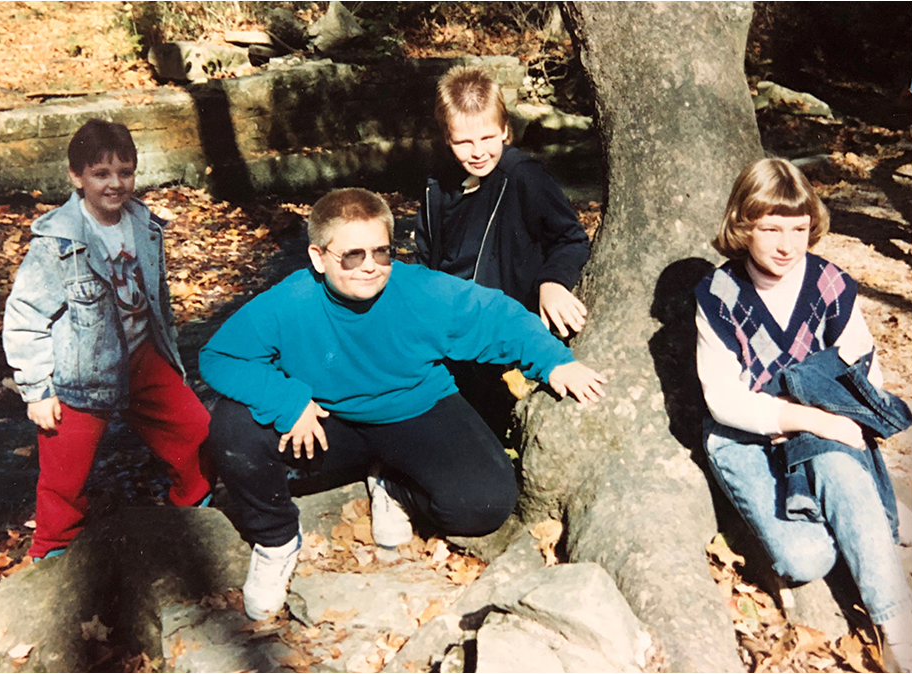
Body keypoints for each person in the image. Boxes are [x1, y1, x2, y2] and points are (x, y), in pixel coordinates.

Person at [200, 188, 607, 620]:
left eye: (382, 251)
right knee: (233, 425)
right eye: (352, 256)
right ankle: (276, 541)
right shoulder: (290, 301)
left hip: (416, 410)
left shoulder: (420, 290)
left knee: (485, 503)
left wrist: (554, 363)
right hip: (328, 421)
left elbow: (496, 316)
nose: (370, 266)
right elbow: (220, 355)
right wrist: (287, 400)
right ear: (319, 258)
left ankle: (392, 485)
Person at [695, 158, 912, 672]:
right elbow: (724, 400)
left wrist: (835, 417)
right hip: (745, 433)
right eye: (770, 229)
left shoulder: (830, 284)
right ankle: (875, 513)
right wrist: (807, 420)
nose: (786, 245)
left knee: (837, 468)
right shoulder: (719, 295)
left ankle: (897, 626)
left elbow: (865, 368)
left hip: (822, 422)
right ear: (742, 227)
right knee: (807, 559)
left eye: (798, 229)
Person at [3, 119, 212, 561]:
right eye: (101, 174)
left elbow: (158, 298)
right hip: (82, 370)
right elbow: (24, 317)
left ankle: (192, 505)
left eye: (126, 172)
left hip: (141, 355)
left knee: (195, 431)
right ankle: (54, 550)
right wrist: (37, 389)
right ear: (76, 177)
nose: (115, 184)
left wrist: (169, 357)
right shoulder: (57, 242)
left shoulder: (144, 225)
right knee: (65, 473)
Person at [414, 65, 592, 434]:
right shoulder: (437, 185)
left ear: (505, 130)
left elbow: (571, 237)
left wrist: (552, 282)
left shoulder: (523, 176)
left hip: (496, 331)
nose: (478, 152)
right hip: (445, 327)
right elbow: (424, 257)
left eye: (488, 138)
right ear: (447, 138)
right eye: (464, 142)